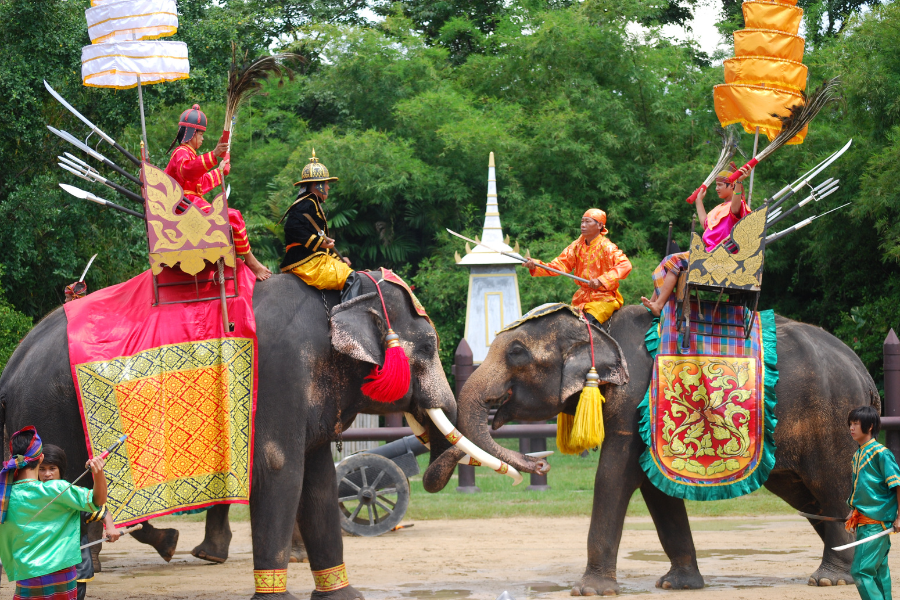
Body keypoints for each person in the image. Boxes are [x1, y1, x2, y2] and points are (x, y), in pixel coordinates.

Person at [165, 104, 272, 281]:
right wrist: (214, 155)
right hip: (184, 208)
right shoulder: (181, 152)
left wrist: (220, 170)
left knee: (231, 214)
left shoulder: (188, 154)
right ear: (191, 133)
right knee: (233, 216)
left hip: (190, 204)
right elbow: (188, 171)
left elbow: (199, 183)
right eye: (200, 134)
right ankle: (251, 261)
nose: (203, 138)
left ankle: (243, 259)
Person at [0, 427, 109, 600]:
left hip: (26, 576)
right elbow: (98, 500)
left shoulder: (4, 496)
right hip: (62, 575)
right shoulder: (57, 489)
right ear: (41, 457)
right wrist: (99, 472)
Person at [640, 163, 750, 316]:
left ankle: (658, 305)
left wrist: (739, 183)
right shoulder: (720, 207)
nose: (716, 188)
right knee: (668, 260)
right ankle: (654, 301)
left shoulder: (737, 206)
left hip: (719, 257)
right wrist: (699, 201)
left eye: (719, 185)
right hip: (708, 253)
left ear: (730, 186)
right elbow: (707, 225)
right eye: (716, 185)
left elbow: (737, 207)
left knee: (675, 260)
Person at [522, 209, 632, 324]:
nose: (583, 225)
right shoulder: (576, 246)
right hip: (580, 299)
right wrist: (535, 265)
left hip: (604, 298)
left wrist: (601, 280)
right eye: (582, 222)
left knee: (587, 325)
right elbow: (559, 265)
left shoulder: (607, 247)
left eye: (587, 222)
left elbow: (625, 264)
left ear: (599, 225)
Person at [39, 445, 120, 600]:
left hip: (75, 566)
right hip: (45, 565)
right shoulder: (33, 494)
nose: (47, 474)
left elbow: (100, 507)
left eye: (52, 468)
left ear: (60, 470)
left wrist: (110, 527)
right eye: (42, 469)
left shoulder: (71, 494)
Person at [845, 405, 900, 600]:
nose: (851, 428)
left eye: (856, 424)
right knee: (877, 571)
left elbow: (897, 485)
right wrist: (853, 510)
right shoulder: (857, 455)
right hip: (865, 521)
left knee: (861, 571)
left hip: (876, 524)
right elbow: (860, 489)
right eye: (850, 424)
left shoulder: (881, 454)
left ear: (869, 427)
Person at [279, 150, 354, 290]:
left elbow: (316, 240)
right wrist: (321, 243)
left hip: (312, 259)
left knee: (344, 269)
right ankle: (347, 312)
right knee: (352, 278)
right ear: (318, 185)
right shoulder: (306, 203)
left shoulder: (311, 202)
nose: (328, 187)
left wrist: (339, 259)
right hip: (304, 262)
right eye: (326, 183)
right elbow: (292, 227)